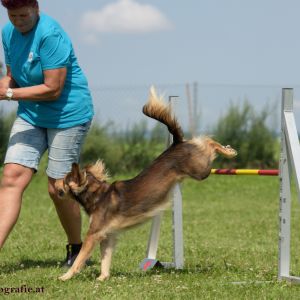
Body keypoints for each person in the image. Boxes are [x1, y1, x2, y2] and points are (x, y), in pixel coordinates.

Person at [0, 0, 94, 267]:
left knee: (58, 188)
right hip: (31, 115)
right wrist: (5, 86)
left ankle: (77, 249)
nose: (18, 20)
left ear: (36, 7)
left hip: (67, 115)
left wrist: (7, 94)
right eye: (12, 15)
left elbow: (52, 88)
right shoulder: (8, 32)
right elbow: (13, 77)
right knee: (11, 177)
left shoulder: (50, 34)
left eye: (23, 14)